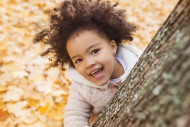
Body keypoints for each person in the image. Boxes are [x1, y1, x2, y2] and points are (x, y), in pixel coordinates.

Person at [34, 0, 142, 126]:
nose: (89, 63)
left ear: (112, 47)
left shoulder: (137, 64)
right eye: (78, 60)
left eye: (95, 51)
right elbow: (74, 115)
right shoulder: (81, 86)